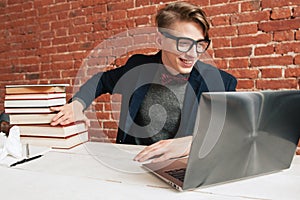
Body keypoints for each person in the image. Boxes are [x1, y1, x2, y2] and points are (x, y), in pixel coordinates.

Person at [50, 2, 237, 163]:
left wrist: (193, 143)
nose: (192, 53)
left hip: (182, 170)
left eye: (199, 44)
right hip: (132, 163)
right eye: (184, 43)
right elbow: (101, 80)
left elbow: (236, 135)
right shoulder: (137, 67)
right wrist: (78, 103)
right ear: (161, 41)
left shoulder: (221, 82)